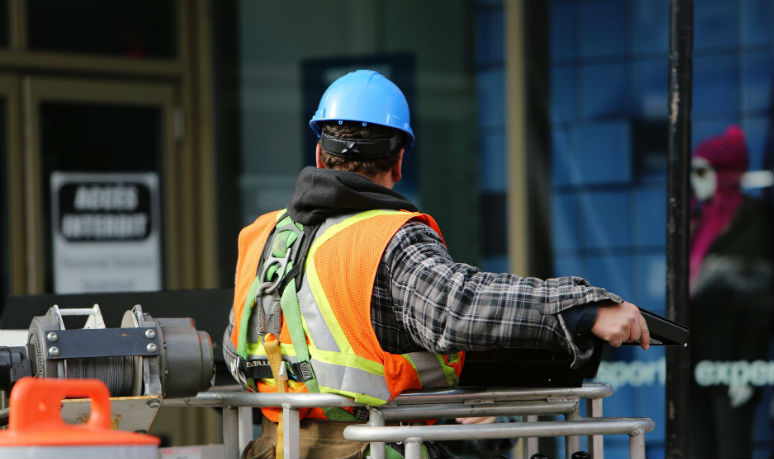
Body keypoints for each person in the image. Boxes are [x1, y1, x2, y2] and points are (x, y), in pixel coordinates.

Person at [223, 69, 650, 459]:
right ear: (400, 161)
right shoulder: (388, 237)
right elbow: (456, 308)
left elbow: (235, 349)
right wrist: (583, 308)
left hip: (278, 448)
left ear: (319, 155)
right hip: (369, 449)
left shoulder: (261, 237)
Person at [687, 126, 773, 458]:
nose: (696, 179)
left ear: (724, 173)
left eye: (702, 171)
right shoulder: (696, 220)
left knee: (731, 447)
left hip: (732, 360)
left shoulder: (752, 221)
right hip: (695, 360)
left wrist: (748, 366)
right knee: (697, 447)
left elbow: (761, 302)